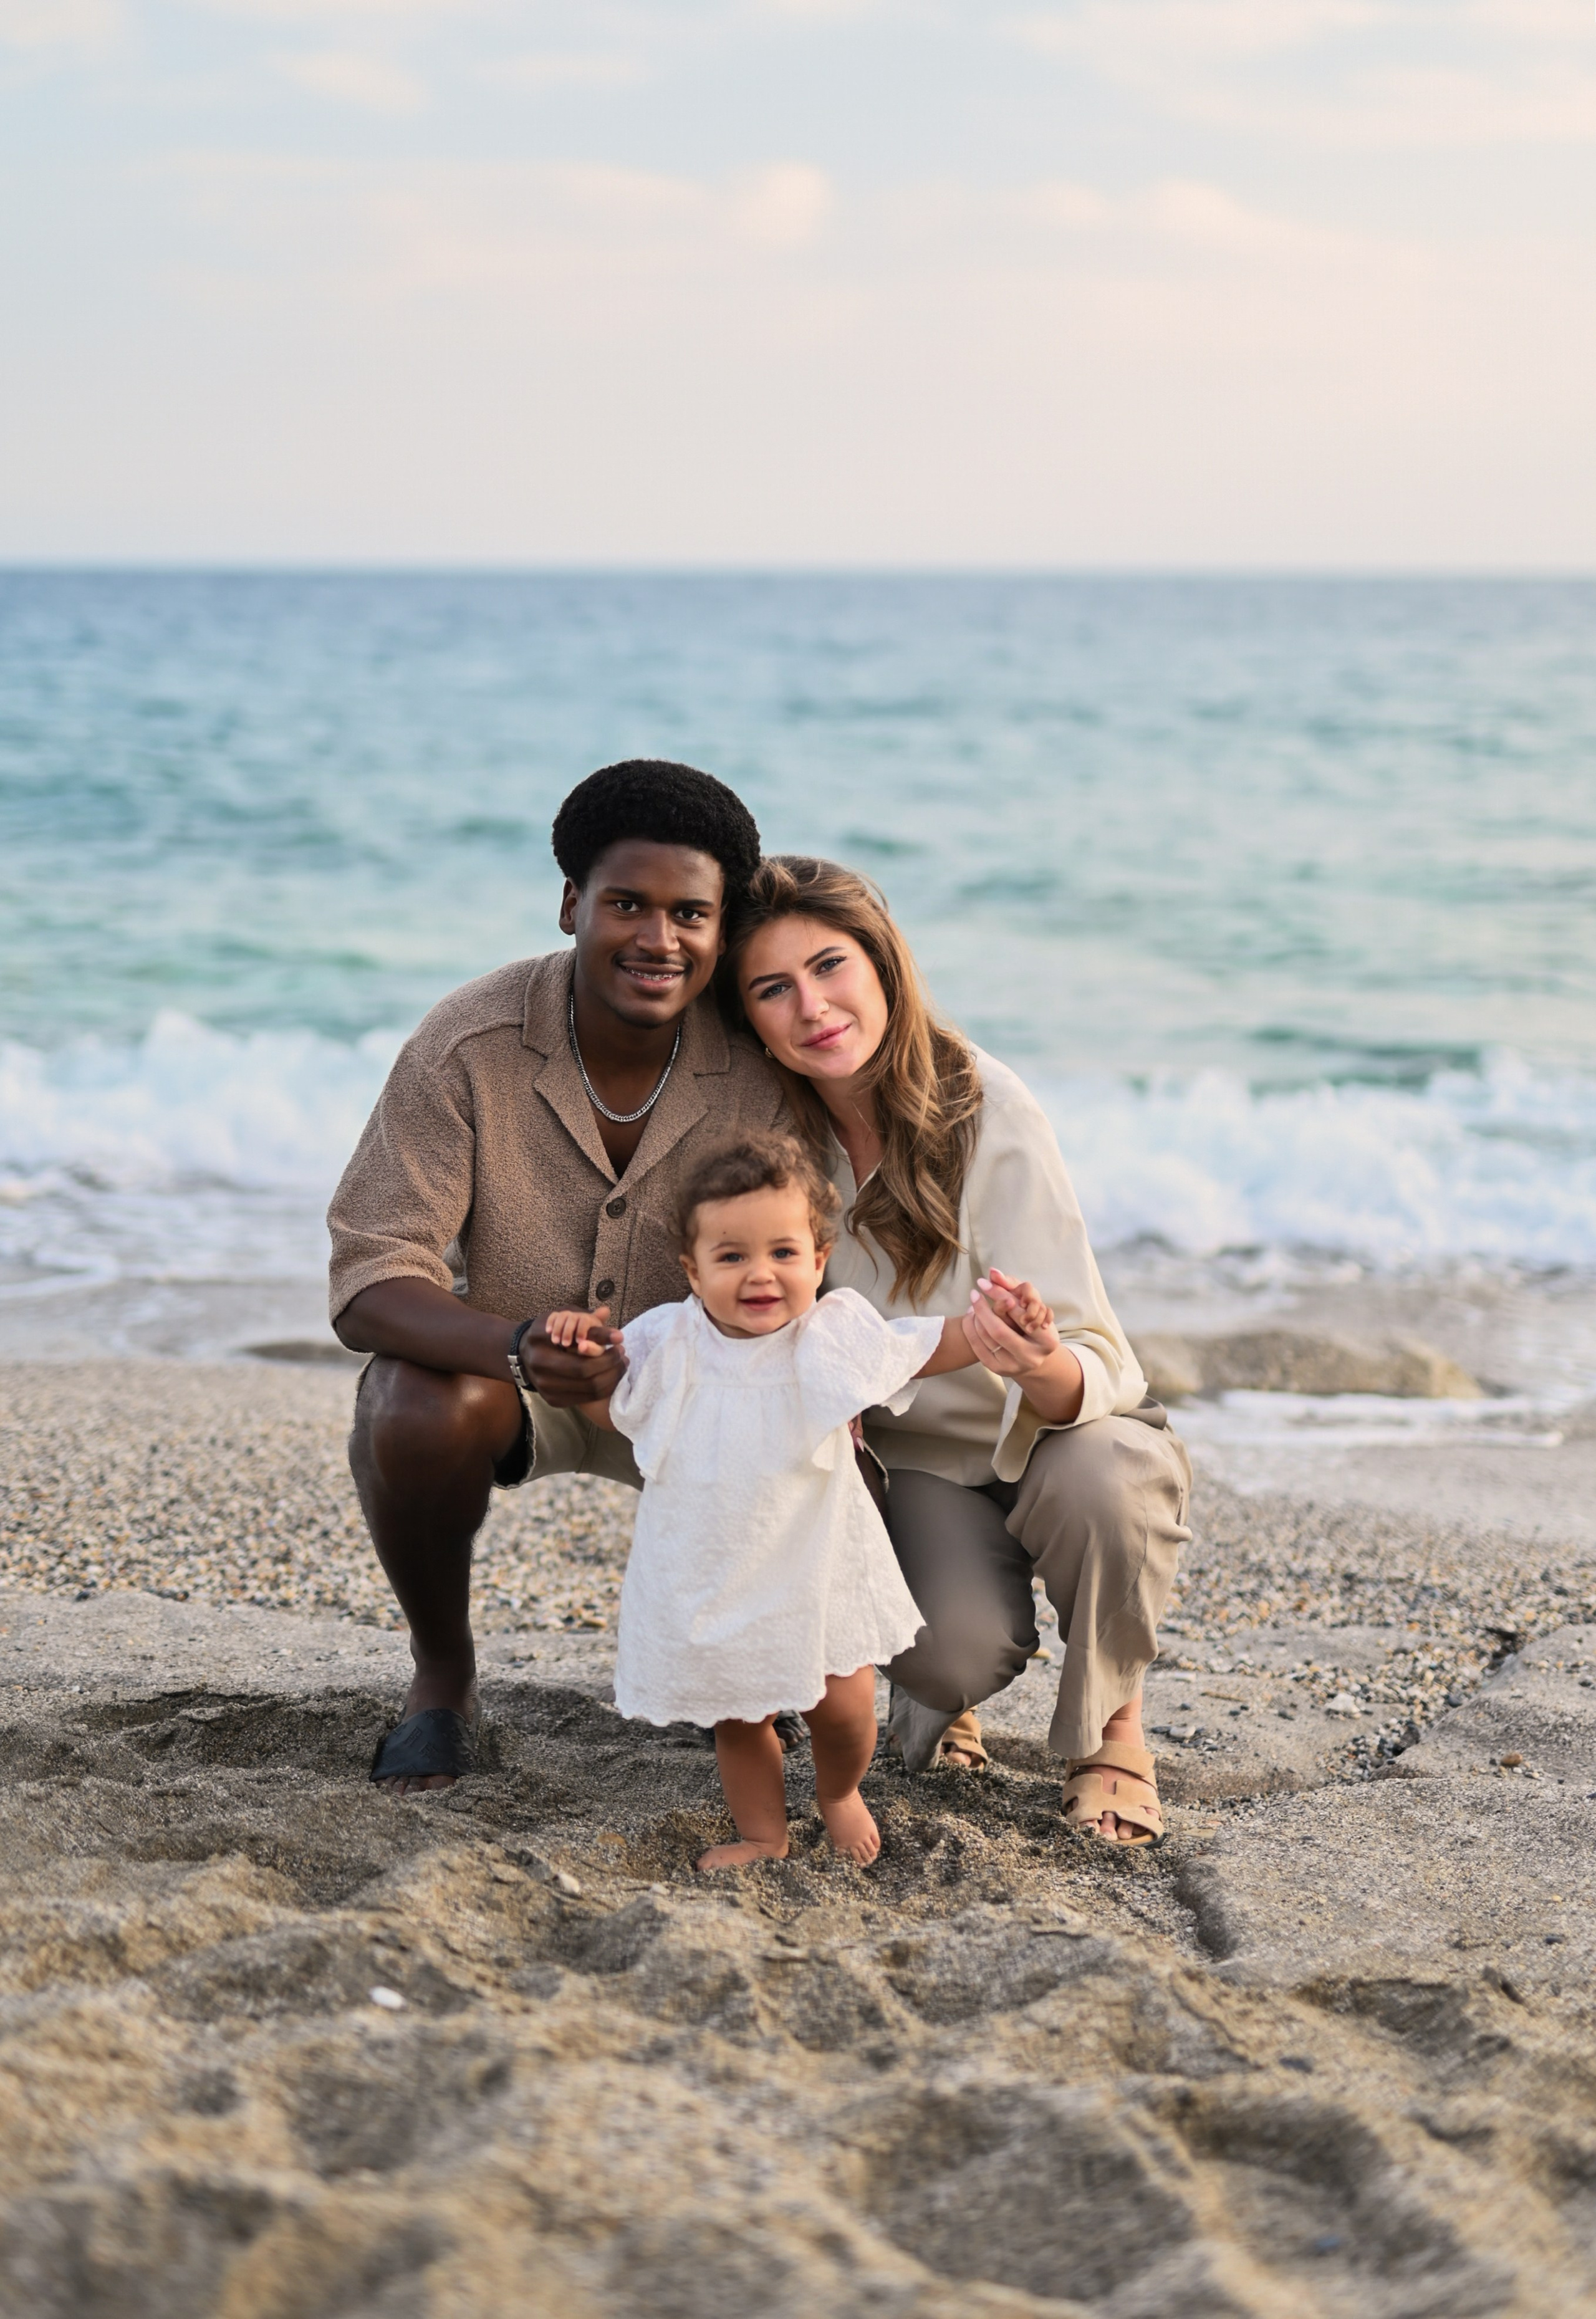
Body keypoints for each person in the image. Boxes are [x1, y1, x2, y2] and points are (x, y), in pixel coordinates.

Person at [328, 760, 785, 1793]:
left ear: (722, 930)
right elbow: (370, 1275)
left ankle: (761, 1670)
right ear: (573, 900)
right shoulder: (468, 1043)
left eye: (690, 914)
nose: (657, 939)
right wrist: (511, 1343)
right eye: (627, 903)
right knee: (414, 1407)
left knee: (849, 1433)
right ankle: (442, 1677)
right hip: (514, 1384)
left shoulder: (762, 1061)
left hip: (709, 1394)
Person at [727, 856, 1192, 1846]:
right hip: (919, 1468)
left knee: (1107, 1483)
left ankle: (1114, 1734)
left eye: (829, 966)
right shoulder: (768, 1143)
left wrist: (1031, 1362)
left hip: (1065, 1434)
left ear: (883, 965)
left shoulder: (987, 1102)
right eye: (774, 988)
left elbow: (1094, 1354)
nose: (812, 1006)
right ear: (751, 1017)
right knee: (944, 1660)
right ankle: (948, 1699)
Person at [543, 1133, 1060, 1869]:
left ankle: (838, 1791)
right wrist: (582, 1353)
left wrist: (1000, 1322)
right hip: (716, 1570)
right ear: (691, 1270)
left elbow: (925, 1343)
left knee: (845, 1710)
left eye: (784, 1254)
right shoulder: (669, 1342)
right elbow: (617, 1409)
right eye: (732, 1257)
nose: (761, 1275)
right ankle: (763, 1833)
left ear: (819, 1259)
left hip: (821, 1567)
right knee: (740, 1718)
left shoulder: (831, 1335)